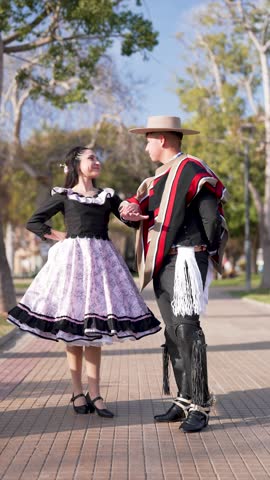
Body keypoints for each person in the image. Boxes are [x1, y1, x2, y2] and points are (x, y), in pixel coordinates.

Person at [7, 146, 161, 416]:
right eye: (91, 158)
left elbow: (131, 221)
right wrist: (60, 236)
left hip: (102, 265)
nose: (97, 161)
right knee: (73, 331)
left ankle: (96, 394)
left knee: (94, 333)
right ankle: (77, 392)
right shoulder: (64, 196)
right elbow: (35, 222)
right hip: (73, 265)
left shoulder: (107, 196)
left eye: (97, 157)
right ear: (76, 164)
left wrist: (134, 215)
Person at [119, 116, 228, 432]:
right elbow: (143, 212)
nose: (146, 145)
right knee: (173, 331)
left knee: (186, 329)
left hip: (185, 259)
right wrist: (130, 213)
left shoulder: (192, 169)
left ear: (163, 139)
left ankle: (201, 404)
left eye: (148, 139)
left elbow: (211, 218)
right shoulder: (156, 180)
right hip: (164, 262)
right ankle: (184, 398)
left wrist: (200, 251)